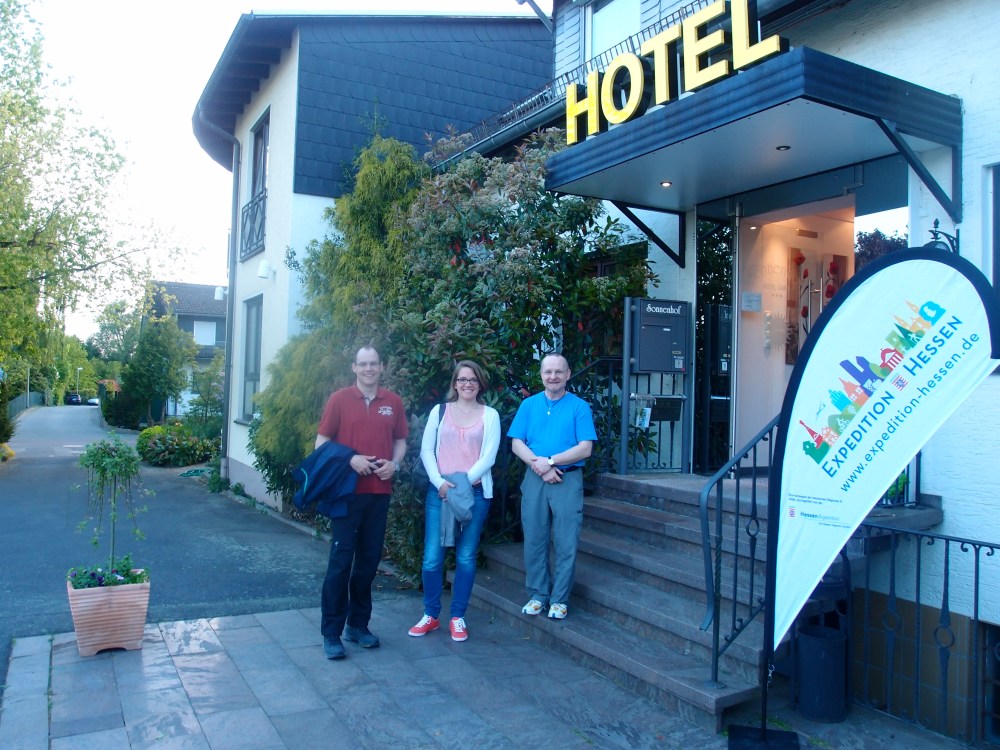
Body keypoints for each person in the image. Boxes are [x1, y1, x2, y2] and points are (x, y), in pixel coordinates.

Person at [315, 346, 408, 660]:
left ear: (382, 367)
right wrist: (350, 459)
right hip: (346, 494)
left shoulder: (392, 402)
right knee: (340, 564)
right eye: (363, 364)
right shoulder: (339, 400)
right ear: (354, 368)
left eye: (374, 364)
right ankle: (331, 633)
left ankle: (357, 626)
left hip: (379, 493)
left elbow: (400, 441)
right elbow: (321, 443)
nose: (369, 369)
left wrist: (395, 464)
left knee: (368, 564)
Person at [408, 360, 500, 642]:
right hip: (440, 492)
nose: (467, 384)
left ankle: (458, 617)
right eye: (462, 380)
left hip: (474, 493)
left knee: (465, 557)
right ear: (455, 384)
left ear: (480, 383)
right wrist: (440, 484)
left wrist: (459, 484)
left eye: (472, 380)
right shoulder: (440, 411)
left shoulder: (490, 415)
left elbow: (489, 456)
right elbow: (426, 450)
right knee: (433, 558)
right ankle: (431, 615)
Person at [508, 352, 597, 620]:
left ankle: (559, 599)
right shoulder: (529, 406)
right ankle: (538, 595)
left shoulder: (579, 407)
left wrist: (550, 461)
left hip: (568, 480)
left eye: (558, 371)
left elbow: (585, 448)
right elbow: (516, 443)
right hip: (535, 479)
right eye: (548, 372)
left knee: (565, 540)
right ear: (541, 375)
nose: (553, 376)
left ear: (568, 374)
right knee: (534, 539)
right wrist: (540, 466)